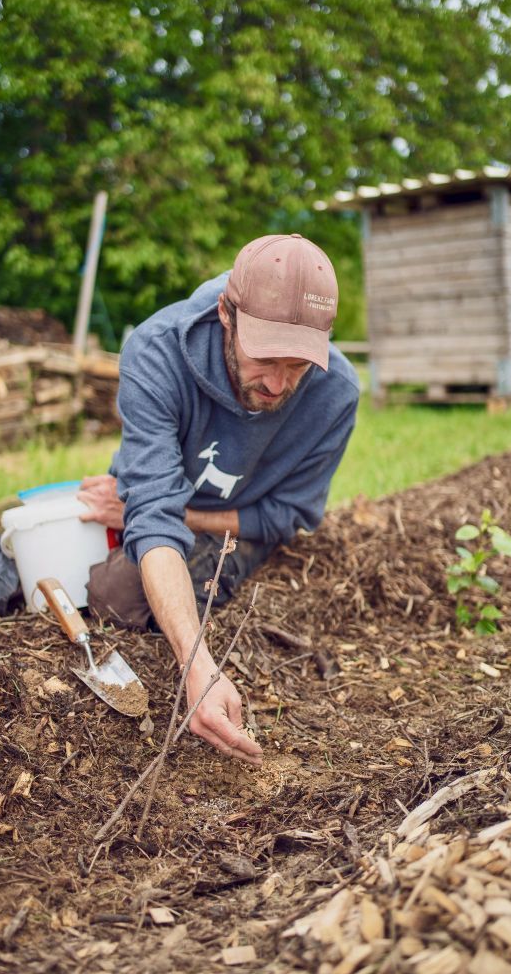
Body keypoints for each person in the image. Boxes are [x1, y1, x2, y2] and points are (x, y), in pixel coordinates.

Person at [78, 233, 359, 765]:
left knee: (121, 595)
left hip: (244, 522)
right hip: (168, 499)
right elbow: (155, 517)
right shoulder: (158, 352)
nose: (277, 384)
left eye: (297, 366)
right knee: (94, 580)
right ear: (227, 314)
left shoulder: (337, 393)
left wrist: (183, 516)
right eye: (265, 358)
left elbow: (289, 515)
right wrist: (197, 664)